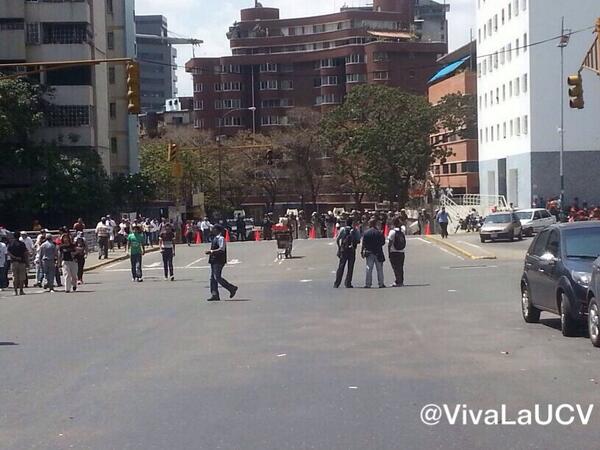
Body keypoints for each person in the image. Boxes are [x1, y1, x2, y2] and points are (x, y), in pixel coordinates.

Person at [205, 224, 238, 301]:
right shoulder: (215, 238)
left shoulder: (221, 238)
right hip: (214, 260)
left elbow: (221, 249)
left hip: (219, 260)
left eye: (213, 229)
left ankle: (231, 288)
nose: (212, 230)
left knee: (217, 277)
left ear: (217, 230)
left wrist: (211, 251)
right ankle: (214, 294)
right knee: (212, 278)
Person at [334, 218, 361, 289]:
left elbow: (337, 239)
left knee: (341, 266)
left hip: (344, 250)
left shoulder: (343, 229)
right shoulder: (355, 230)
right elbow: (358, 240)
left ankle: (337, 283)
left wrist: (339, 248)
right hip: (352, 250)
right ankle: (348, 283)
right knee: (350, 267)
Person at [361, 219, 386, 289]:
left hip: (369, 252)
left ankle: (368, 284)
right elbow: (383, 243)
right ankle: (381, 283)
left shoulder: (366, 233)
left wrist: (362, 251)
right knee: (379, 269)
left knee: (369, 268)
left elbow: (364, 243)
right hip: (378, 252)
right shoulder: (379, 233)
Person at [387, 218, 407, 287]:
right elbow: (403, 226)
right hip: (401, 251)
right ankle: (401, 281)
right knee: (400, 267)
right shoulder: (402, 231)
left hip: (394, 251)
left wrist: (389, 252)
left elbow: (390, 243)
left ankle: (398, 281)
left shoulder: (392, 232)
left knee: (395, 267)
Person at [8, 232, 28, 296]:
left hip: (14, 262)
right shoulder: (22, 244)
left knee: (14, 277)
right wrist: (27, 262)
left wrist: (14, 257)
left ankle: (15, 291)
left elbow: (8, 252)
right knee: (21, 277)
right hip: (22, 262)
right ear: (19, 236)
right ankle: (21, 290)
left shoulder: (11, 244)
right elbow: (25, 253)